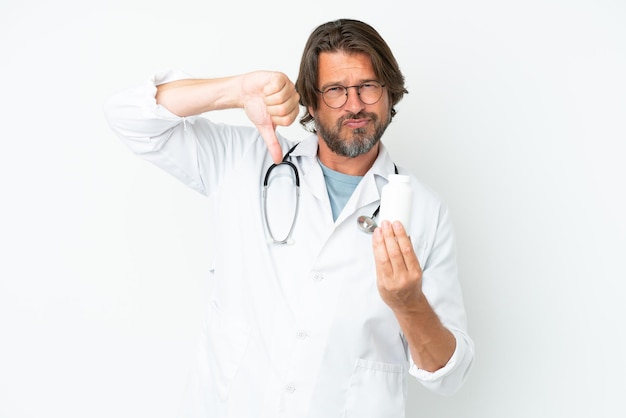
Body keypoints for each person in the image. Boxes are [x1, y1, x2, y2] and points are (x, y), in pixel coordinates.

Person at [105, 18, 474, 418]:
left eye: (368, 86)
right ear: (310, 103)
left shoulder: (425, 211)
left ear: (389, 94)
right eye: (334, 90)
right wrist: (236, 90)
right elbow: (129, 117)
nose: (354, 105)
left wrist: (409, 303)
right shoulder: (244, 160)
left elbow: (448, 374)